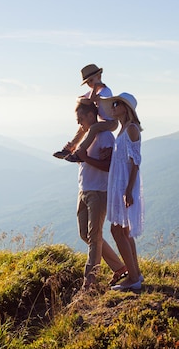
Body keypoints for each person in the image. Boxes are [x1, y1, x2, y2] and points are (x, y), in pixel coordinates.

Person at [72, 101, 129, 290]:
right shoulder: (88, 135)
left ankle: (90, 280)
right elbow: (85, 160)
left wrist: (85, 158)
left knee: (94, 235)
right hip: (84, 189)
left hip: (99, 191)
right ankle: (119, 267)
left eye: (81, 119)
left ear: (90, 115)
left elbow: (109, 167)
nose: (79, 123)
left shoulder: (105, 136)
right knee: (85, 234)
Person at [99, 92, 145, 291]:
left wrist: (128, 190)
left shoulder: (132, 129)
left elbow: (136, 162)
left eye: (117, 104)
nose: (114, 107)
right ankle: (136, 274)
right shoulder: (123, 130)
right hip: (119, 182)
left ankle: (133, 277)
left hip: (124, 183)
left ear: (126, 108)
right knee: (123, 230)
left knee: (117, 229)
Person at [53, 64, 118, 163]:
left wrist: (94, 89)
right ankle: (70, 147)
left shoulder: (105, 91)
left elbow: (90, 100)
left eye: (91, 80)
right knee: (83, 128)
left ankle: (79, 152)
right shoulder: (94, 90)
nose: (90, 84)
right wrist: (85, 97)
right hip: (104, 120)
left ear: (99, 77)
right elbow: (79, 98)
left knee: (93, 128)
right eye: (87, 82)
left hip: (111, 122)